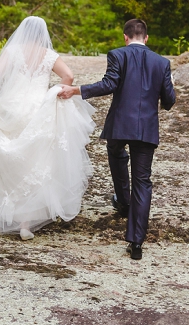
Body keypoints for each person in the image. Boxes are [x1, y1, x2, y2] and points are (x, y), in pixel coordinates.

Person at [0, 16, 96, 240]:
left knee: (3, 159)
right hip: (37, 110)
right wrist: (60, 91)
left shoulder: (13, 50)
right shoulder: (48, 55)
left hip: (11, 108)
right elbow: (68, 75)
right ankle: (25, 224)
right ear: (43, 34)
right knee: (33, 162)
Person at [58, 18, 176, 260]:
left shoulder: (117, 55)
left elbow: (109, 84)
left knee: (116, 151)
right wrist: (168, 89)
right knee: (142, 181)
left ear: (125, 37)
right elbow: (169, 101)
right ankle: (136, 244)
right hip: (146, 130)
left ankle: (123, 201)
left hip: (120, 125)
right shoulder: (162, 62)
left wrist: (76, 90)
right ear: (146, 38)